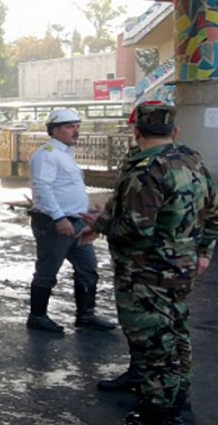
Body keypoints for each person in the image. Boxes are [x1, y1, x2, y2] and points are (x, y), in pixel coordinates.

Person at [81, 102, 218, 425]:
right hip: (181, 268)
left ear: (137, 131)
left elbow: (135, 228)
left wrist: (104, 227)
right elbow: (213, 214)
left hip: (146, 273)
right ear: (175, 131)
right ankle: (178, 400)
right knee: (175, 334)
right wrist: (203, 253)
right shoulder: (193, 161)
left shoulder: (146, 170)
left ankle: (161, 413)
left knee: (154, 344)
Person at [26, 108, 116, 334]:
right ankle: (38, 316)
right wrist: (59, 217)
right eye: (69, 126)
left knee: (88, 269)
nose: (75, 131)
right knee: (48, 270)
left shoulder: (66, 153)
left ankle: (86, 315)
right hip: (54, 223)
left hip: (77, 222)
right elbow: (42, 187)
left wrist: (88, 213)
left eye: (77, 126)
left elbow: (68, 189)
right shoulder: (47, 154)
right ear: (55, 130)